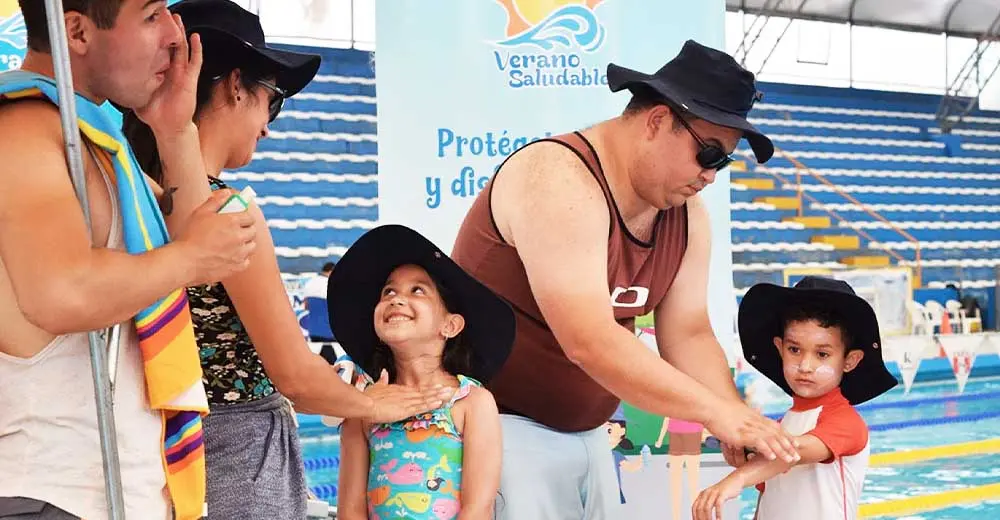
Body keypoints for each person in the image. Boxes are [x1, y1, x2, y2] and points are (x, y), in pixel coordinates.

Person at [119, 1, 452, 518]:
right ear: (235, 85)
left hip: (147, 450)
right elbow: (293, 373)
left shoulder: (129, 196)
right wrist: (375, 405)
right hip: (237, 457)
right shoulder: (228, 216)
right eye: (272, 102)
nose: (269, 127)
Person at [449, 39, 800, 518]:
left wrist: (735, 419)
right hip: (500, 432)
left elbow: (689, 332)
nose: (712, 175)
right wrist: (717, 413)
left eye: (724, 161)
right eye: (709, 154)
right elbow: (588, 340)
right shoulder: (557, 178)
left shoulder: (687, 215)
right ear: (657, 121)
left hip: (590, 435)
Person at [0, 1, 261, 519]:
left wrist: (174, 130)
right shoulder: (25, 131)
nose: (173, 34)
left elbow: (185, 249)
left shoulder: (95, 139)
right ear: (76, 31)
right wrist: (190, 257)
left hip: (117, 489)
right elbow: (62, 291)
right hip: (55, 494)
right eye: (150, 16)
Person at [331, 225, 514, 520]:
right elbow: (350, 510)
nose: (396, 298)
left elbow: (478, 507)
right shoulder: (364, 406)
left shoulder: (471, 402)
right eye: (388, 290)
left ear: (450, 326)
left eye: (417, 290)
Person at [692, 276, 898, 520]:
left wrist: (737, 479)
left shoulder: (845, 423)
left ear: (850, 361)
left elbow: (792, 453)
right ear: (780, 349)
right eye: (794, 350)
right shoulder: (779, 428)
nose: (805, 365)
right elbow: (768, 501)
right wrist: (742, 450)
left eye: (822, 354)